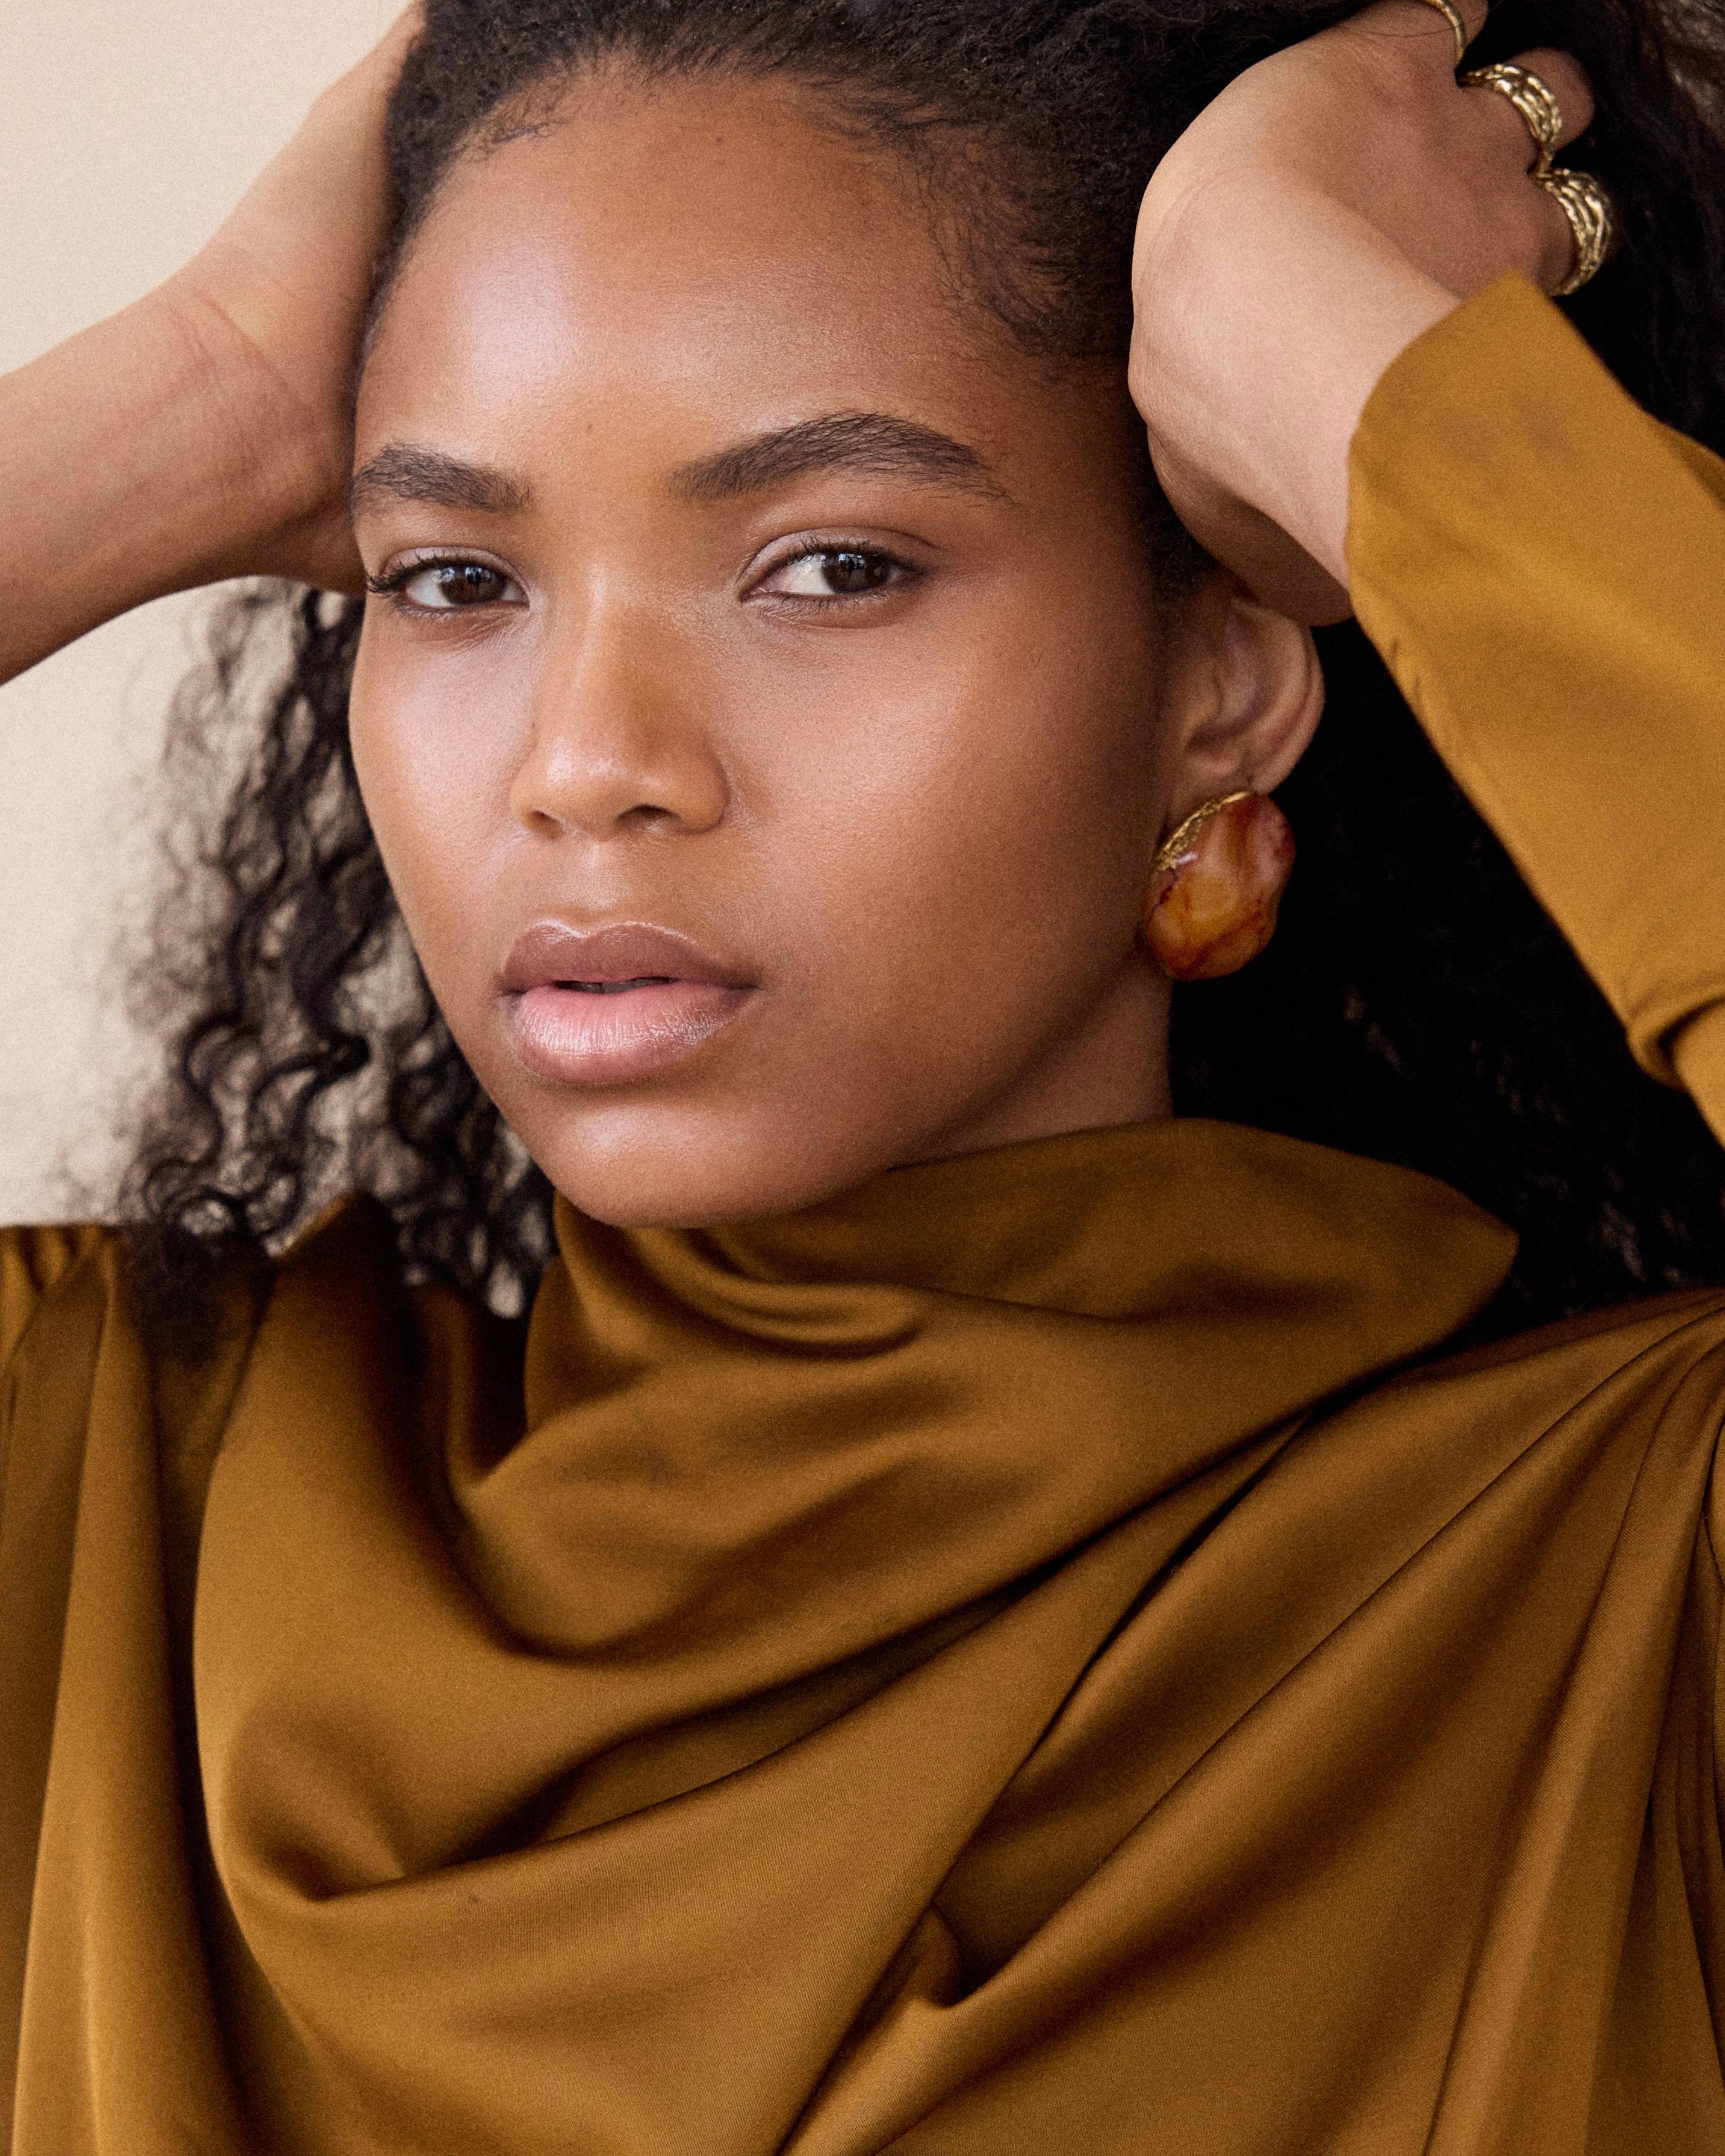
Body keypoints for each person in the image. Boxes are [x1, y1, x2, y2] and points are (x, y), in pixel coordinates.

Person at [4, 0, 1725, 2145]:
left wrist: (1311, 346)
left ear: (1219, 687)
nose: (585, 763)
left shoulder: (1629, 1595)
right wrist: (184, 403)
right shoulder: (97, 1532)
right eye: (451, 577)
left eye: (832, 564)